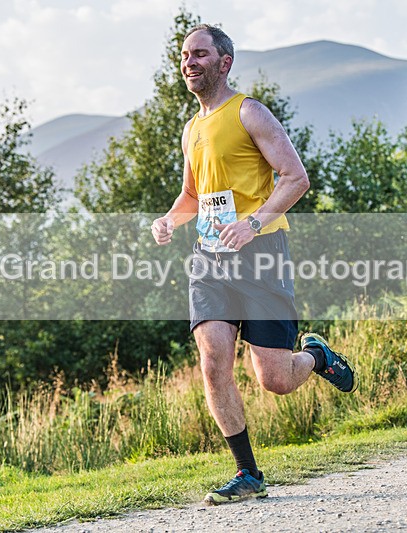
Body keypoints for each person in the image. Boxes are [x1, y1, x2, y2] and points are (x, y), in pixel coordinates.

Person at [150, 23, 357, 505]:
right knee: (213, 362)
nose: (189, 62)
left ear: (224, 63)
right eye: (184, 55)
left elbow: (295, 177)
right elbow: (192, 195)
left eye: (200, 54)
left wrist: (254, 223)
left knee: (275, 380)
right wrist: (169, 220)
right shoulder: (191, 129)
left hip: (262, 255)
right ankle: (247, 473)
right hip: (209, 261)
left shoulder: (249, 112)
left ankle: (318, 357)